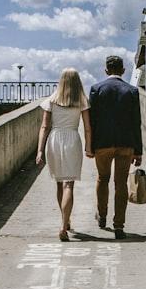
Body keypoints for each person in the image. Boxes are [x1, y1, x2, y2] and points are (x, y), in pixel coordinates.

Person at [88, 55, 143, 239]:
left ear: (106, 70)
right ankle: (119, 226)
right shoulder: (132, 91)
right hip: (126, 144)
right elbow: (137, 122)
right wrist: (138, 151)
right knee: (121, 184)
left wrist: (90, 145)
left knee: (102, 178)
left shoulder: (96, 89)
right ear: (123, 71)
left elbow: (92, 121)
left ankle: (102, 217)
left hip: (102, 143)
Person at [35, 68, 92, 242]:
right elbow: (88, 127)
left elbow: (44, 127)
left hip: (54, 140)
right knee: (69, 185)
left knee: (59, 184)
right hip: (72, 140)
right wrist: (88, 147)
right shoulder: (82, 100)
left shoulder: (51, 100)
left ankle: (64, 222)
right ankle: (64, 224)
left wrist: (39, 150)